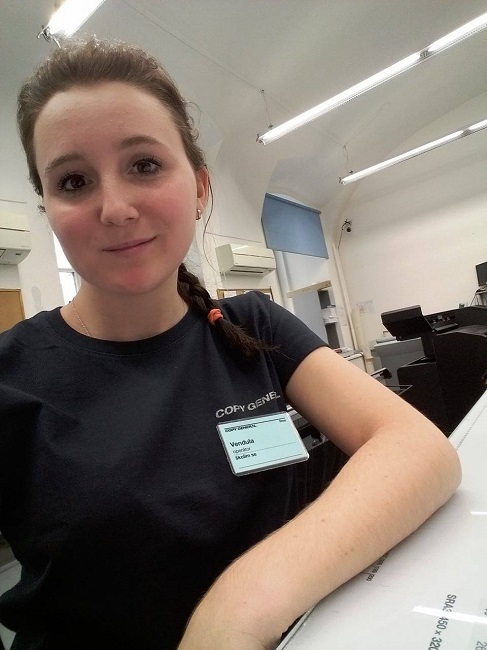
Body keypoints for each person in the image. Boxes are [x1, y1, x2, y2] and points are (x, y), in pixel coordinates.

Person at [0, 38, 460, 650]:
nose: (115, 208)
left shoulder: (251, 326)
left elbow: (419, 449)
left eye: (144, 165)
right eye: (74, 180)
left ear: (199, 187)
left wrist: (236, 607)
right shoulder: (12, 373)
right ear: (48, 209)